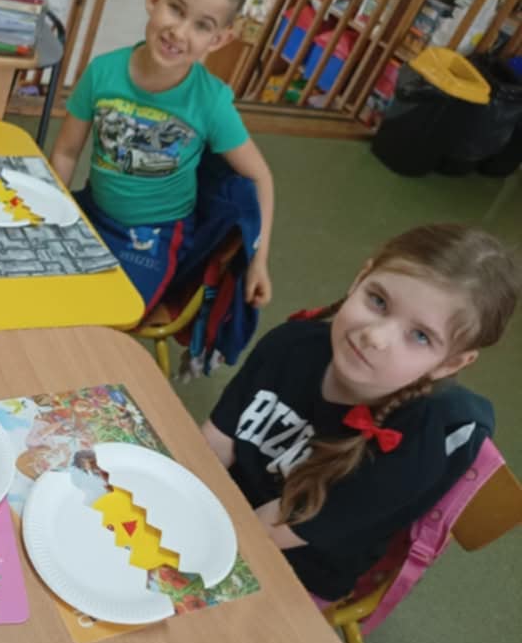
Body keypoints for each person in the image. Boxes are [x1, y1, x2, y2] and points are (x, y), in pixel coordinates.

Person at [201, 224, 519, 600]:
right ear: (360, 279)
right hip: (224, 512)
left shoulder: (417, 443)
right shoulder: (290, 345)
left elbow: (274, 529)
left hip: (292, 572)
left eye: (420, 336)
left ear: (450, 364)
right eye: (378, 301)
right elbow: (215, 442)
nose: (375, 336)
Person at [49, 0, 275, 317]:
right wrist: (53, 211)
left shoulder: (211, 102)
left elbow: (261, 177)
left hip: (154, 238)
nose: (179, 32)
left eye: (202, 25)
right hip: (93, 210)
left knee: (110, 314)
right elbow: (66, 152)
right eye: (176, 9)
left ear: (220, 39)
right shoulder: (102, 72)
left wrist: (258, 259)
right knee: (37, 282)